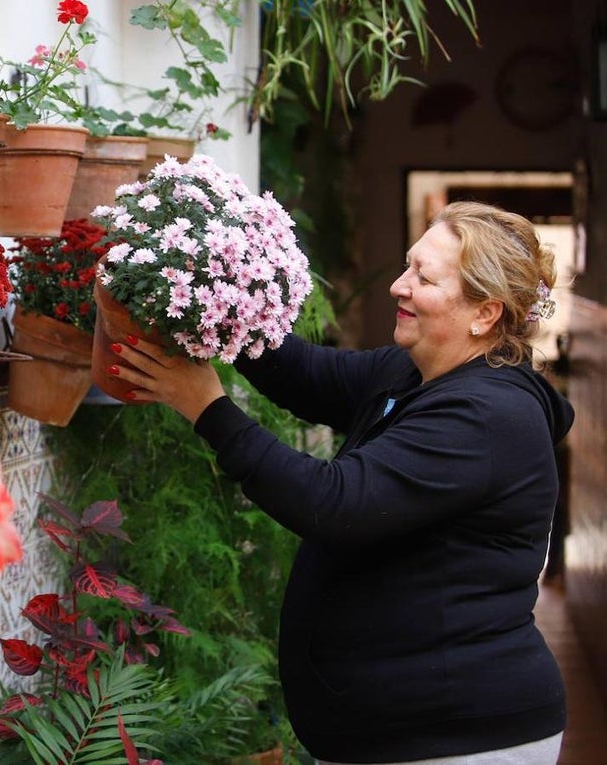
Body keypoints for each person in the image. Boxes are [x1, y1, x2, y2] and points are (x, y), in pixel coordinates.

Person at [107, 201, 572, 765]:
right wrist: (213, 292)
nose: (399, 286)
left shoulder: (488, 416)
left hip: (459, 736)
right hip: (401, 733)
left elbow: (335, 504)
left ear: (485, 314)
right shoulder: (413, 372)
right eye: (408, 265)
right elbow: (304, 373)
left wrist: (206, 406)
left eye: (423, 277)